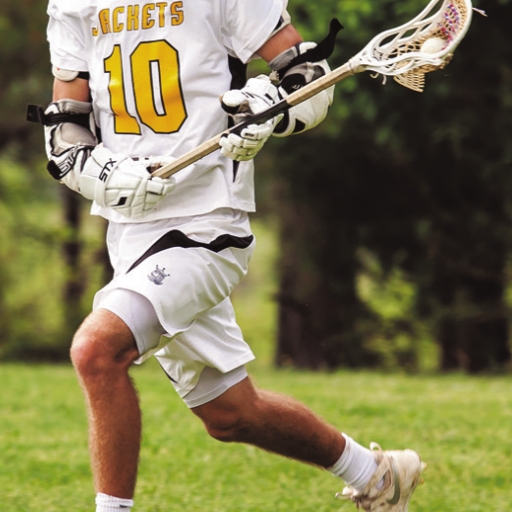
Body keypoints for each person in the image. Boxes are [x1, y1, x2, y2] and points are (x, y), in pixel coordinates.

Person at [34, 0, 425, 510]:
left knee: (96, 350)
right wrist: (102, 173)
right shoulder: (74, 3)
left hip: (207, 224)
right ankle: (377, 476)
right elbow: (66, 123)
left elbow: (308, 77)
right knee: (231, 414)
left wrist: (268, 109)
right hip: (131, 233)